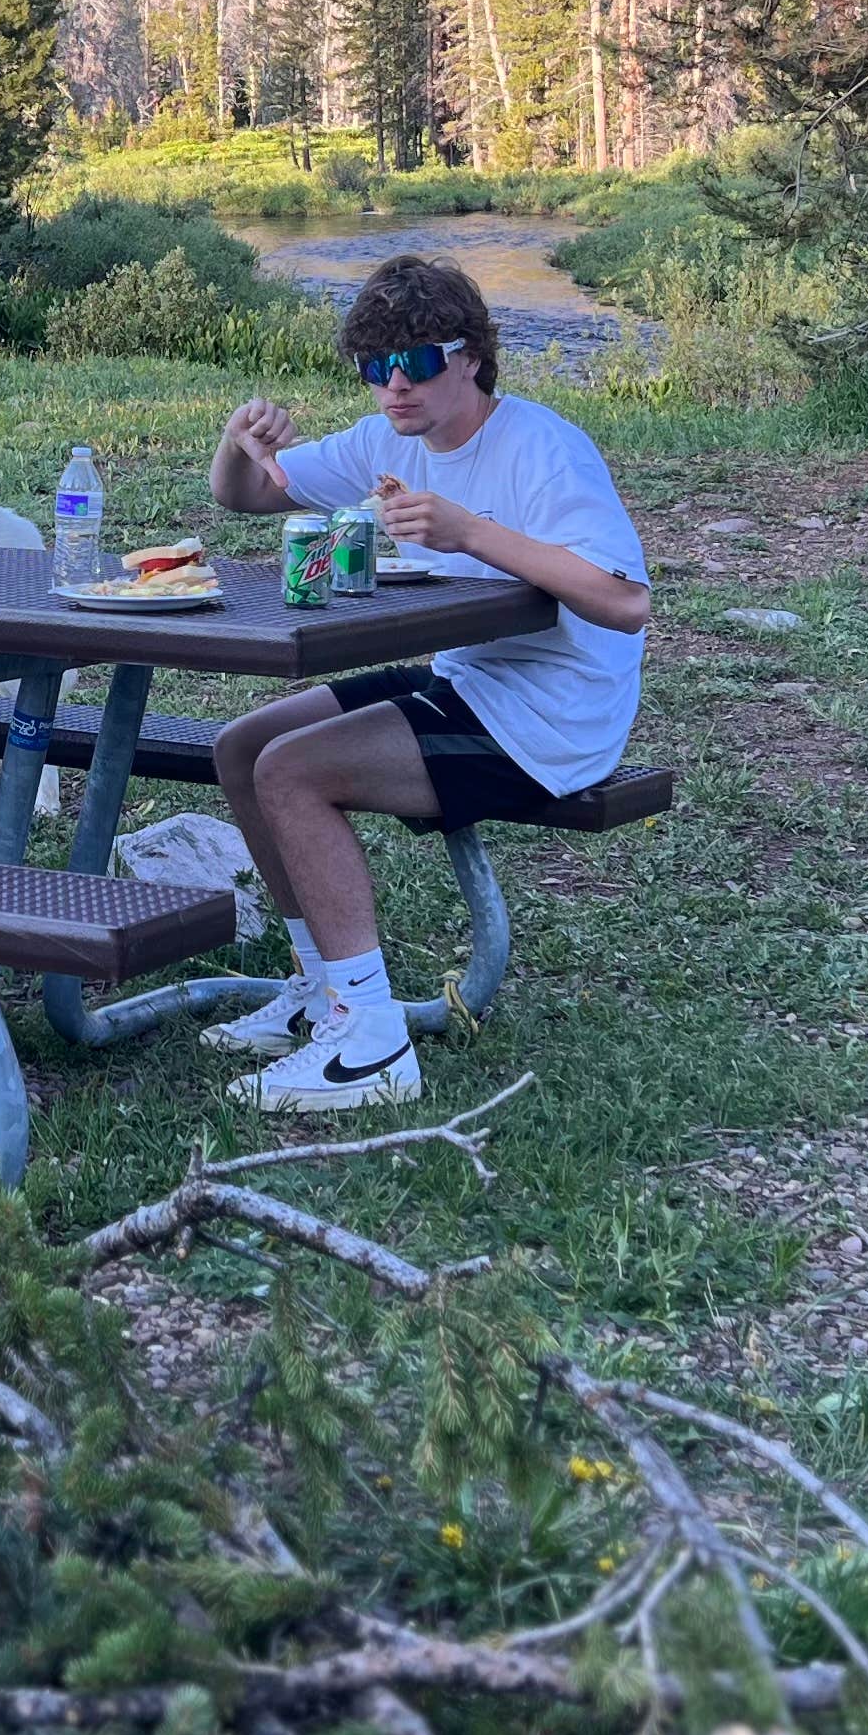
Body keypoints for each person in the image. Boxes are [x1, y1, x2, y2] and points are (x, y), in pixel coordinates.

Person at [200, 254, 651, 1112]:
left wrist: (467, 531)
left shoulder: (542, 448)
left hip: (548, 716)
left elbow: (624, 603)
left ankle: (371, 1047)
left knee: (291, 771)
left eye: (412, 364)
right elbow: (246, 497)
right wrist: (237, 442)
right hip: (468, 676)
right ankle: (319, 992)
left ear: (471, 356)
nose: (392, 390)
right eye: (374, 370)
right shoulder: (386, 440)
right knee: (243, 746)